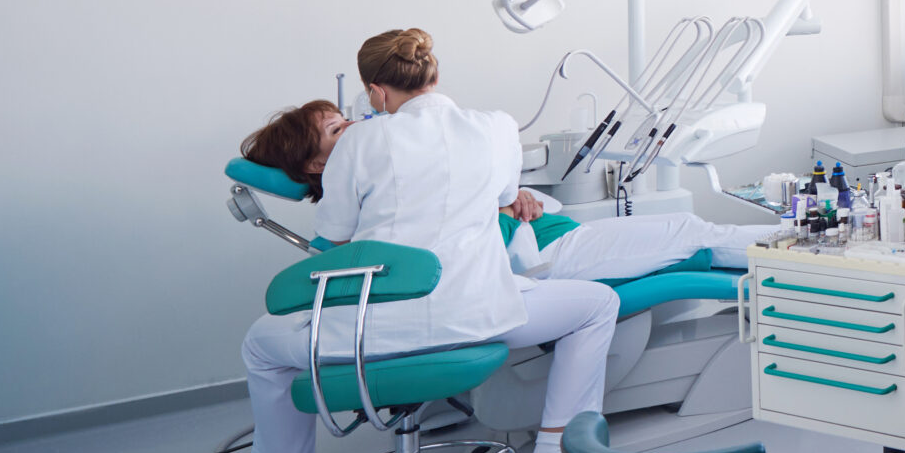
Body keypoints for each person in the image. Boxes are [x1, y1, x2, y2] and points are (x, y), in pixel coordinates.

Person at [222, 28, 618, 453]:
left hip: (373, 331)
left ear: (376, 92)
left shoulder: (360, 141)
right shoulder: (496, 127)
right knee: (598, 304)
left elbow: (338, 243)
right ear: (433, 75)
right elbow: (502, 200)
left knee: (261, 343)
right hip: (480, 318)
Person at [239, 101, 782, 280]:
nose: (356, 129)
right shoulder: (367, 210)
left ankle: (796, 242)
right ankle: (798, 249)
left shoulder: (394, 177)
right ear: (314, 163)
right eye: (337, 131)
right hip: (545, 257)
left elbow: (514, 202)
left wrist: (518, 197)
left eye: (347, 119)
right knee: (689, 234)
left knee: (686, 236)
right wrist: (512, 204)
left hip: (551, 233)